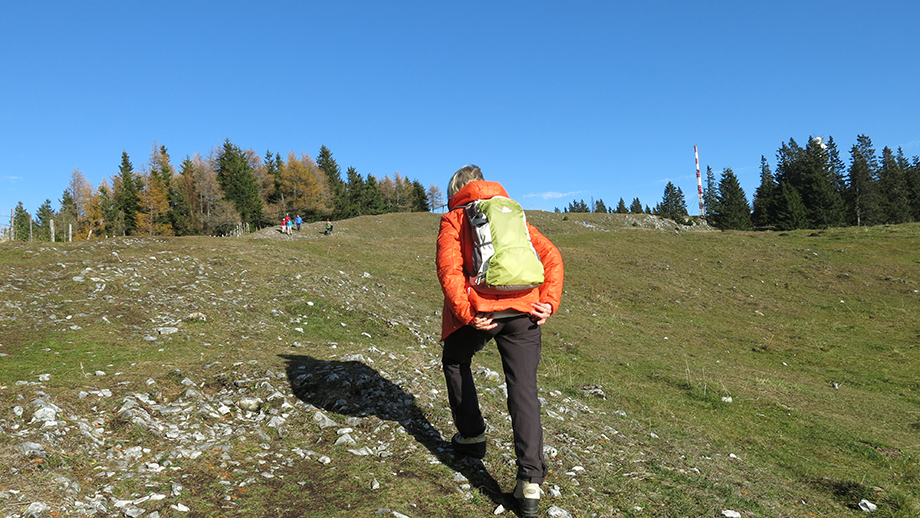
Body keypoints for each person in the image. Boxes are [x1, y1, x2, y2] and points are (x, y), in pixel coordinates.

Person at [436, 164, 564, 517]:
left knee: (455, 360)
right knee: (523, 388)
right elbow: (551, 256)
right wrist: (548, 301)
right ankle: (530, 482)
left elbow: (449, 271)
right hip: (524, 310)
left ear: (456, 190)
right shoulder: (513, 212)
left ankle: (473, 437)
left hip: (481, 312)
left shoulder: (454, 219)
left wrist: (467, 314)